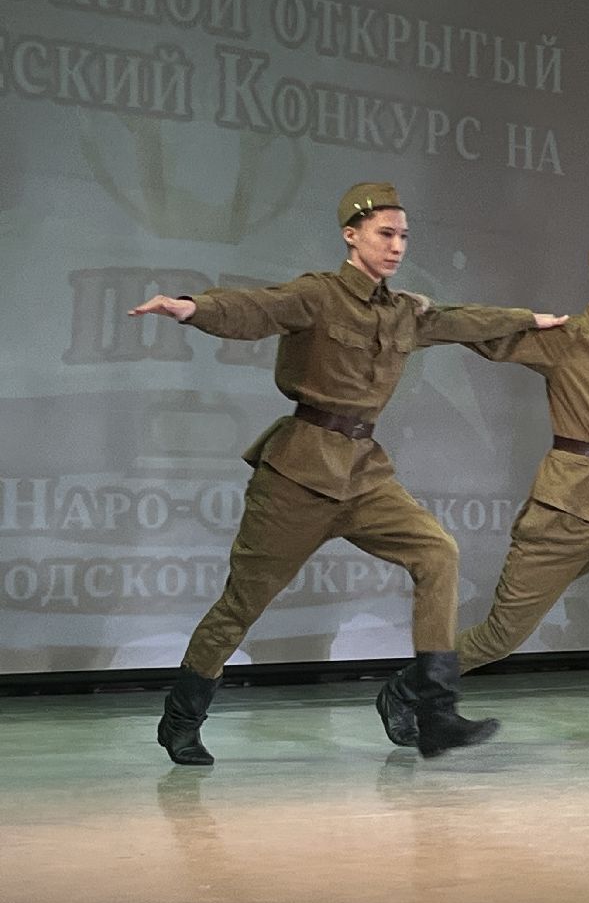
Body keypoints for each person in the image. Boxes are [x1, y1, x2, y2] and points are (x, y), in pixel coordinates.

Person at [129, 182, 562, 764]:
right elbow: (257, 308)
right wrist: (192, 307)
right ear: (351, 236)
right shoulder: (319, 294)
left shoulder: (404, 312)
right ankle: (181, 719)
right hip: (297, 474)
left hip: (363, 475)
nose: (397, 246)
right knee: (241, 604)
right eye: (385, 234)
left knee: (437, 553)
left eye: (404, 236)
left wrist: (529, 319)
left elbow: (461, 320)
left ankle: (434, 711)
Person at [375, 235, 589, 753]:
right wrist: (419, 314)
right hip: (565, 515)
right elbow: (489, 337)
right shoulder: (566, 339)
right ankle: (405, 690)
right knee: (499, 637)